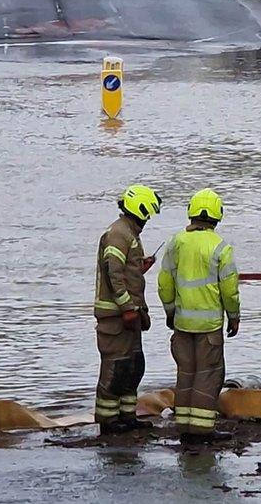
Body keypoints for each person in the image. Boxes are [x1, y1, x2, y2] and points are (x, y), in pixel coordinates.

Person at [158, 188, 241, 445]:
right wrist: (234, 316)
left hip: (182, 323)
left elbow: (164, 283)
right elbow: (230, 289)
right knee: (208, 374)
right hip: (209, 326)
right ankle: (202, 430)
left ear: (191, 212)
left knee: (186, 373)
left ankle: (183, 425)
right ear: (217, 215)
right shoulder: (221, 248)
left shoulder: (176, 243)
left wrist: (170, 312)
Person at [93, 185, 161, 435]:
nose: (147, 219)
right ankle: (108, 421)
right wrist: (127, 307)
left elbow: (123, 271)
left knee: (133, 367)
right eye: (147, 214)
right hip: (116, 317)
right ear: (139, 209)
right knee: (115, 368)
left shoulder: (129, 234)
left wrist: (139, 268)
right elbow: (113, 274)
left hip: (128, 315)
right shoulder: (119, 234)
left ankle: (127, 416)